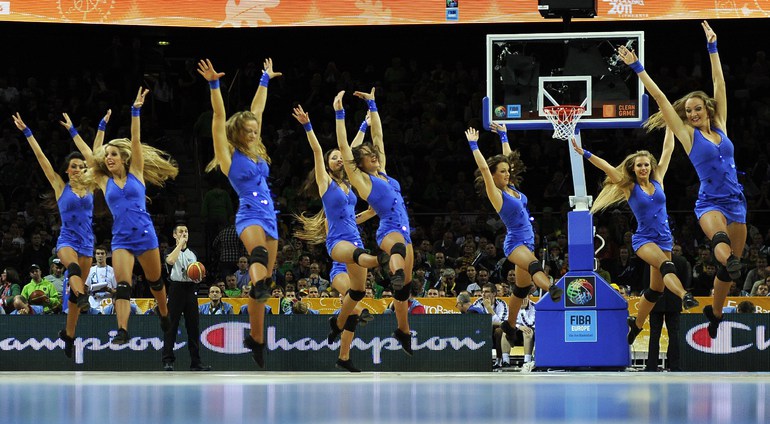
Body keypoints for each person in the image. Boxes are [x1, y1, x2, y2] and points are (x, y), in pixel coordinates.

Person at [618, 22, 745, 339]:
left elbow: (719, 83)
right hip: (710, 203)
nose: (692, 114)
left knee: (728, 272)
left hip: (737, 202)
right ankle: (727, 262)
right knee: (723, 246)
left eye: (697, 108)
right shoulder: (688, 136)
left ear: (707, 109)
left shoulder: (721, 125)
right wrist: (637, 68)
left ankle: (715, 313)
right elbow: (661, 99)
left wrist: (713, 48)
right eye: (688, 111)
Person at [571, 128, 698, 344]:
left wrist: (670, 126)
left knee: (656, 290)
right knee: (667, 266)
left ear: (651, 166)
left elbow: (668, 149)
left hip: (664, 239)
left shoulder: (658, 179)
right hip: (644, 239)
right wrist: (585, 153)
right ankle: (684, 295)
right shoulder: (629, 186)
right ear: (633, 168)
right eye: (639, 165)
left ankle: (636, 325)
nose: (643, 168)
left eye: (646, 164)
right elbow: (607, 167)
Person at [74, 88, 176, 344]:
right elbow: (91, 154)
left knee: (155, 281)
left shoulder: (136, 172)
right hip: (121, 239)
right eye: (107, 155)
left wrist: (135, 111)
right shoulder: (103, 180)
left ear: (124, 158)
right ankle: (122, 330)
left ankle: (164, 312)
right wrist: (93, 129)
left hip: (145, 235)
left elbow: (136, 138)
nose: (109, 158)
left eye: (113, 154)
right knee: (122, 285)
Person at [198, 58, 281, 367]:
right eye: (248, 130)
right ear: (238, 132)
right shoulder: (228, 156)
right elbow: (219, 116)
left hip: (270, 217)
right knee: (258, 256)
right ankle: (258, 284)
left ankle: (256, 339)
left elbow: (257, 109)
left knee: (263, 289)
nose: (254, 132)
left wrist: (265, 80)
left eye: (255, 130)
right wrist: (214, 84)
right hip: (248, 214)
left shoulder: (256, 149)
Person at [291, 104, 387, 369]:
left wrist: (364, 124)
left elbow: (351, 149)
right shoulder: (326, 183)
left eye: (339, 157)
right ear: (327, 164)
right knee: (360, 272)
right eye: (333, 158)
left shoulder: (349, 184)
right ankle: (381, 260)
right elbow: (317, 150)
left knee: (357, 298)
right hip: (340, 253)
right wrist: (307, 126)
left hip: (355, 241)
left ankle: (343, 352)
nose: (338, 159)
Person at [12, 111, 102, 358]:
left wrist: (88, 129)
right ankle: (83, 296)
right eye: (74, 166)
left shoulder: (92, 186)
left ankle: (69, 335)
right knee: (73, 271)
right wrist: (27, 132)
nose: (78, 168)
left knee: (73, 296)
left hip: (87, 243)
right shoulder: (60, 186)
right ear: (67, 171)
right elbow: (41, 158)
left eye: (81, 166)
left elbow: (94, 157)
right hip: (67, 241)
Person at [464, 124, 562, 345]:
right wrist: (473, 145)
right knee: (534, 265)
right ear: (494, 175)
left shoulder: (513, 188)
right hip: (515, 243)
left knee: (521, 289)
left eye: (508, 171)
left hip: (528, 242)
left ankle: (509, 324)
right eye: (502, 171)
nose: (507, 174)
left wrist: (504, 136)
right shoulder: (496, 194)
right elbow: (484, 169)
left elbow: (511, 161)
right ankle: (551, 288)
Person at [334, 89, 415, 355]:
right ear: (360, 163)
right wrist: (340, 113)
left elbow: (378, 136)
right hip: (389, 229)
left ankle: (402, 330)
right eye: (369, 155)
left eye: (375, 154)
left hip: (405, 231)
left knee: (404, 291)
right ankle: (394, 274)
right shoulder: (362, 180)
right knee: (397, 253)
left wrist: (373, 105)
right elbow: (344, 148)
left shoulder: (383, 173)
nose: (375, 156)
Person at [162, 224, 211, 371]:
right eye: (181, 232)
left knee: (193, 327)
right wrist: (180, 244)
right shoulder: (169, 251)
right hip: (176, 289)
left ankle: (196, 363)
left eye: (186, 231)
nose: (184, 233)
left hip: (190, 289)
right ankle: (168, 361)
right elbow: (170, 261)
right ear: (174, 235)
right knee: (171, 326)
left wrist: (198, 277)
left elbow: (197, 272)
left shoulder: (193, 253)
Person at [469, 283, 509, 368]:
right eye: (482, 292)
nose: (483, 294)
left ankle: (499, 360)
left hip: (498, 330)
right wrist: (489, 323)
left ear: (494, 293)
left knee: (499, 331)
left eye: (487, 292)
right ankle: (484, 359)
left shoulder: (502, 304)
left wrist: (489, 308)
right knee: (486, 328)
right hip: (483, 329)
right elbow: (475, 321)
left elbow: (501, 323)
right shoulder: (478, 302)